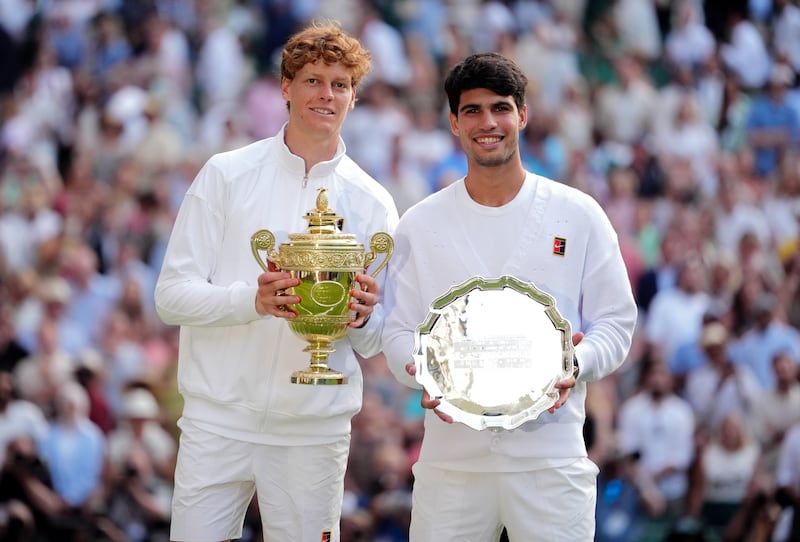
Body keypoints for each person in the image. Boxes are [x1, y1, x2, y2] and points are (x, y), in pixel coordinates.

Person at [154, 20, 399, 542]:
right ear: (285, 88)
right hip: (217, 423)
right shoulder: (225, 174)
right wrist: (254, 301)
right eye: (312, 80)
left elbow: (375, 338)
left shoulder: (374, 203)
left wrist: (361, 313)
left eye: (339, 84)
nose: (326, 94)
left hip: (314, 430)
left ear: (354, 98)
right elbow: (170, 297)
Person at [382, 52, 637, 541]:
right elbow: (397, 330)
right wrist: (420, 370)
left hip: (551, 458)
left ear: (523, 114)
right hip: (451, 466)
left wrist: (574, 364)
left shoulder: (577, 214)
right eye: (472, 110)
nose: (488, 122)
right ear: (454, 123)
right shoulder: (420, 223)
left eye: (500, 107)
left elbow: (616, 323)